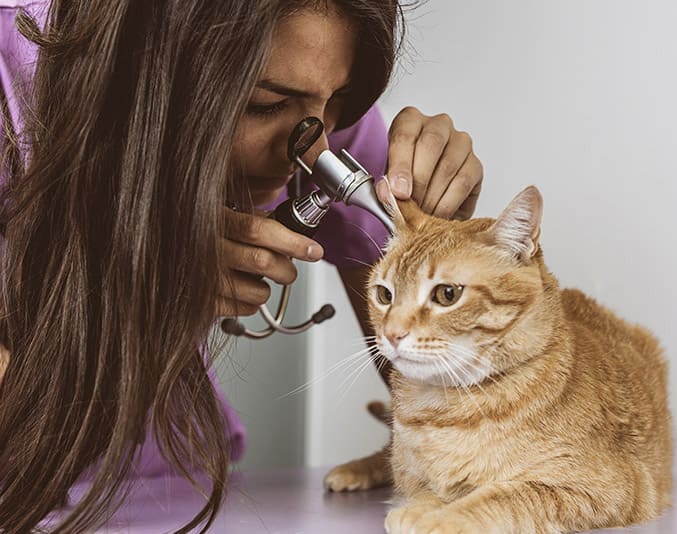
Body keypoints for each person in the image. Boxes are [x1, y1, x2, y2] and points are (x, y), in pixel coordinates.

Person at [0, 0, 483, 532]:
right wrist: (133, 304)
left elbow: (463, 417)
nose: (311, 147)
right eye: (260, 104)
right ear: (146, 70)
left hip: (181, 487)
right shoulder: (14, 76)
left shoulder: (311, 99)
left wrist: (447, 248)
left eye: (339, 101)